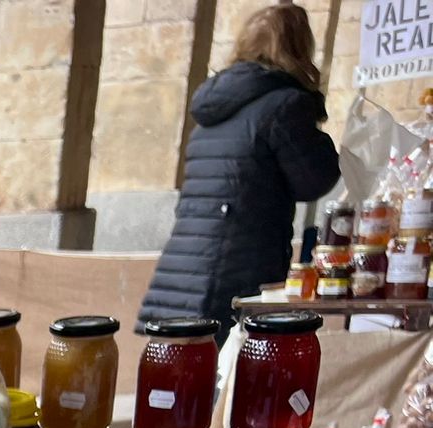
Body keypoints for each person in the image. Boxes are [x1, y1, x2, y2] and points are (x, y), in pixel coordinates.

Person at [139, 2, 338, 335]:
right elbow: (313, 180)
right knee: (228, 373)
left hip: (183, 270)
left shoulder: (213, 109)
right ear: (299, 47)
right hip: (237, 264)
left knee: (180, 372)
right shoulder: (285, 104)